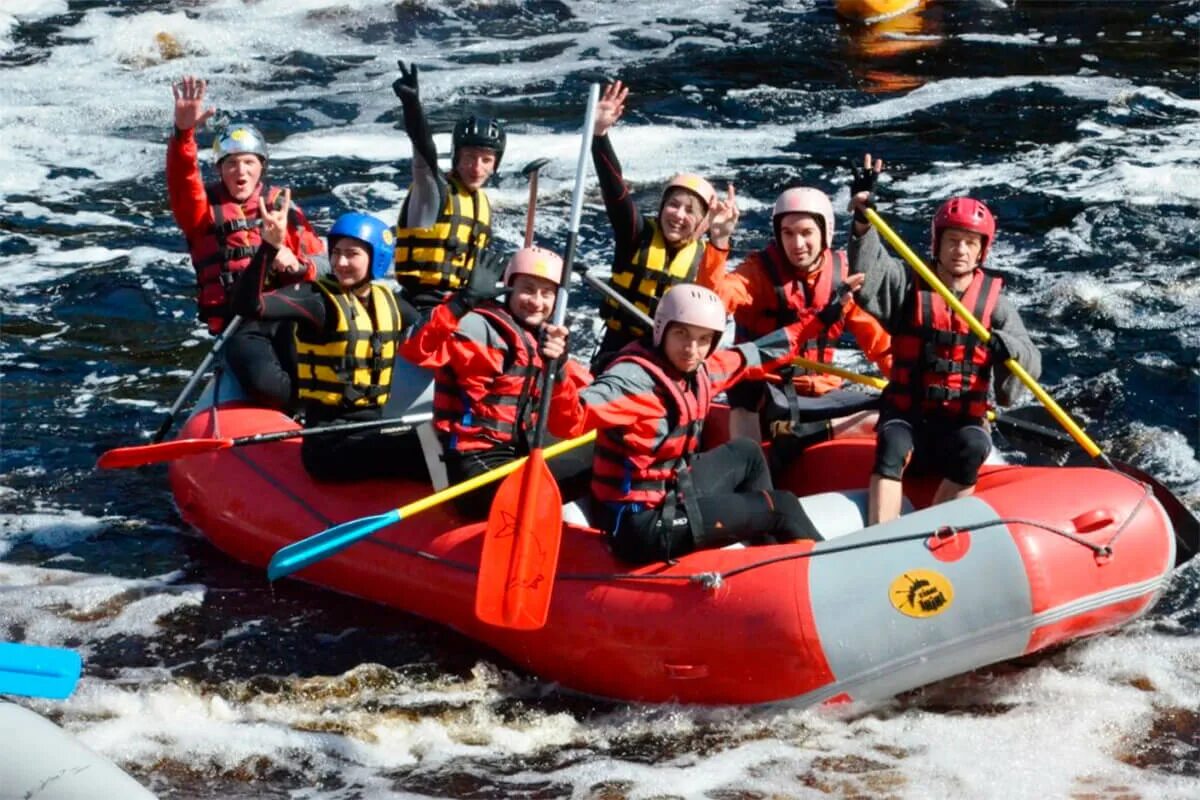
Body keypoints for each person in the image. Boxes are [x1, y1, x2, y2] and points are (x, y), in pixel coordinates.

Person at [557, 279, 864, 565]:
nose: (692, 349)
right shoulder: (632, 383)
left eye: (703, 339)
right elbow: (572, 419)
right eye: (682, 335)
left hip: (673, 493)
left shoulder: (702, 370)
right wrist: (558, 373)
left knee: (747, 453)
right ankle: (829, 572)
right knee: (780, 506)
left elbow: (763, 350)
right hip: (639, 526)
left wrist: (825, 317)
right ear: (662, 330)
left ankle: (769, 560)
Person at [847, 155, 1041, 524]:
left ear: (983, 250)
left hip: (958, 425)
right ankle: (879, 537)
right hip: (907, 417)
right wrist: (862, 221)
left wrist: (1009, 349)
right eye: (953, 240)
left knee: (974, 447)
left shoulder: (995, 304)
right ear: (938, 242)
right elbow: (869, 274)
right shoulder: (909, 283)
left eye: (970, 242)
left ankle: (934, 531)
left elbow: (1030, 357)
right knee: (891, 445)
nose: (961, 250)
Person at [232, 196, 426, 483]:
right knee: (422, 447)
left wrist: (469, 301)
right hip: (328, 446)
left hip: (371, 431)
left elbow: (435, 331)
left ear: (377, 258)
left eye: (352, 254)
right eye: (335, 253)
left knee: (443, 438)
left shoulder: (391, 303)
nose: (340, 262)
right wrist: (269, 249)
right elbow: (249, 305)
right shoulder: (316, 300)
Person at [167, 75, 323, 411]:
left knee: (313, 372)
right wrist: (184, 134)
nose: (241, 171)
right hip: (238, 323)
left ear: (261, 167)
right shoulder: (201, 210)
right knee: (268, 388)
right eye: (231, 164)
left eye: (249, 162)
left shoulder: (284, 206)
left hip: (286, 313)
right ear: (220, 170)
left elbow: (321, 265)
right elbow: (183, 178)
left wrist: (295, 264)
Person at [400, 246, 592, 518]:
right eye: (527, 289)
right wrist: (461, 302)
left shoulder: (546, 341)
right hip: (473, 466)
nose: (537, 302)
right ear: (509, 287)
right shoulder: (475, 327)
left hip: (517, 451)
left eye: (546, 293)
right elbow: (415, 347)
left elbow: (568, 424)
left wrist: (558, 367)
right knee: (539, 495)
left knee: (605, 457)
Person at [588, 81, 748, 372]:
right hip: (617, 352)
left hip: (668, 359)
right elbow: (615, 191)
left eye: (690, 210)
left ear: (703, 223)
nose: (678, 214)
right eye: (673, 205)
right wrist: (599, 135)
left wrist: (721, 238)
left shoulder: (705, 256)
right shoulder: (636, 235)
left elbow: (714, 302)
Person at [723, 186, 893, 450]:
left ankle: (804, 436)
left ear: (825, 232)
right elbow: (714, 300)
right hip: (770, 393)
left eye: (806, 233)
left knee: (895, 411)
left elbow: (881, 346)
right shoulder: (757, 273)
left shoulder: (842, 277)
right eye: (788, 233)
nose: (797, 244)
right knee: (745, 388)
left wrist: (913, 388)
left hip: (823, 393)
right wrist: (718, 241)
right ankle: (751, 465)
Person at [391, 60, 504, 311]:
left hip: (463, 303)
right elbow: (423, 152)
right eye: (469, 158)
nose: (477, 168)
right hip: (421, 305)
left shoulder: (481, 202)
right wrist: (412, 105)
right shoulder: (432, 190)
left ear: (496, 164)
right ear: (456, 157)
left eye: (486, 160)